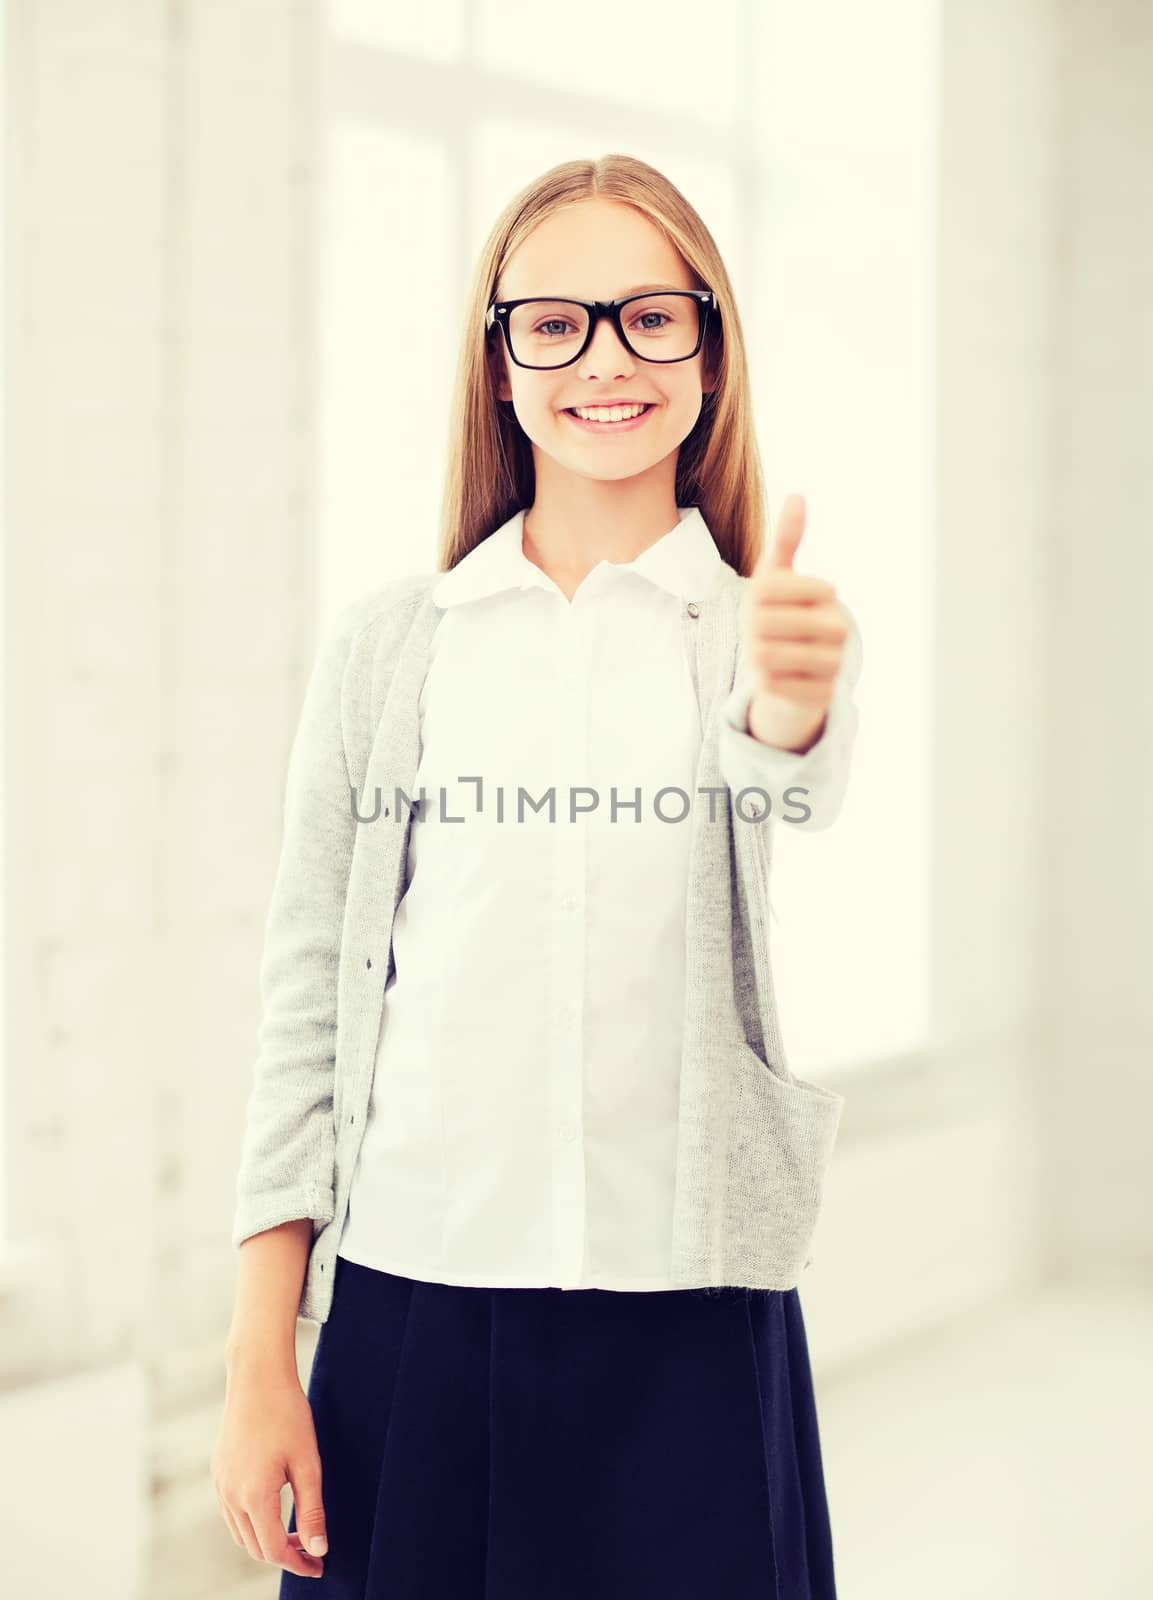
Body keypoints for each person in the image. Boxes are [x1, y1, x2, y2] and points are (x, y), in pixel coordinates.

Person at [212, 152, 863, 1599]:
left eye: (648, 316)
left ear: (709, 342)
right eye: (551, 322)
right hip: (413, 1315)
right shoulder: (395, 648)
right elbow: (308, 998)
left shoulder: (759, 631)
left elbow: (787, 767)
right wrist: (261, 1357)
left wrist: (793, 699)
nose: (603, 359)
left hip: (688, 1319)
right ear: (498, 362)